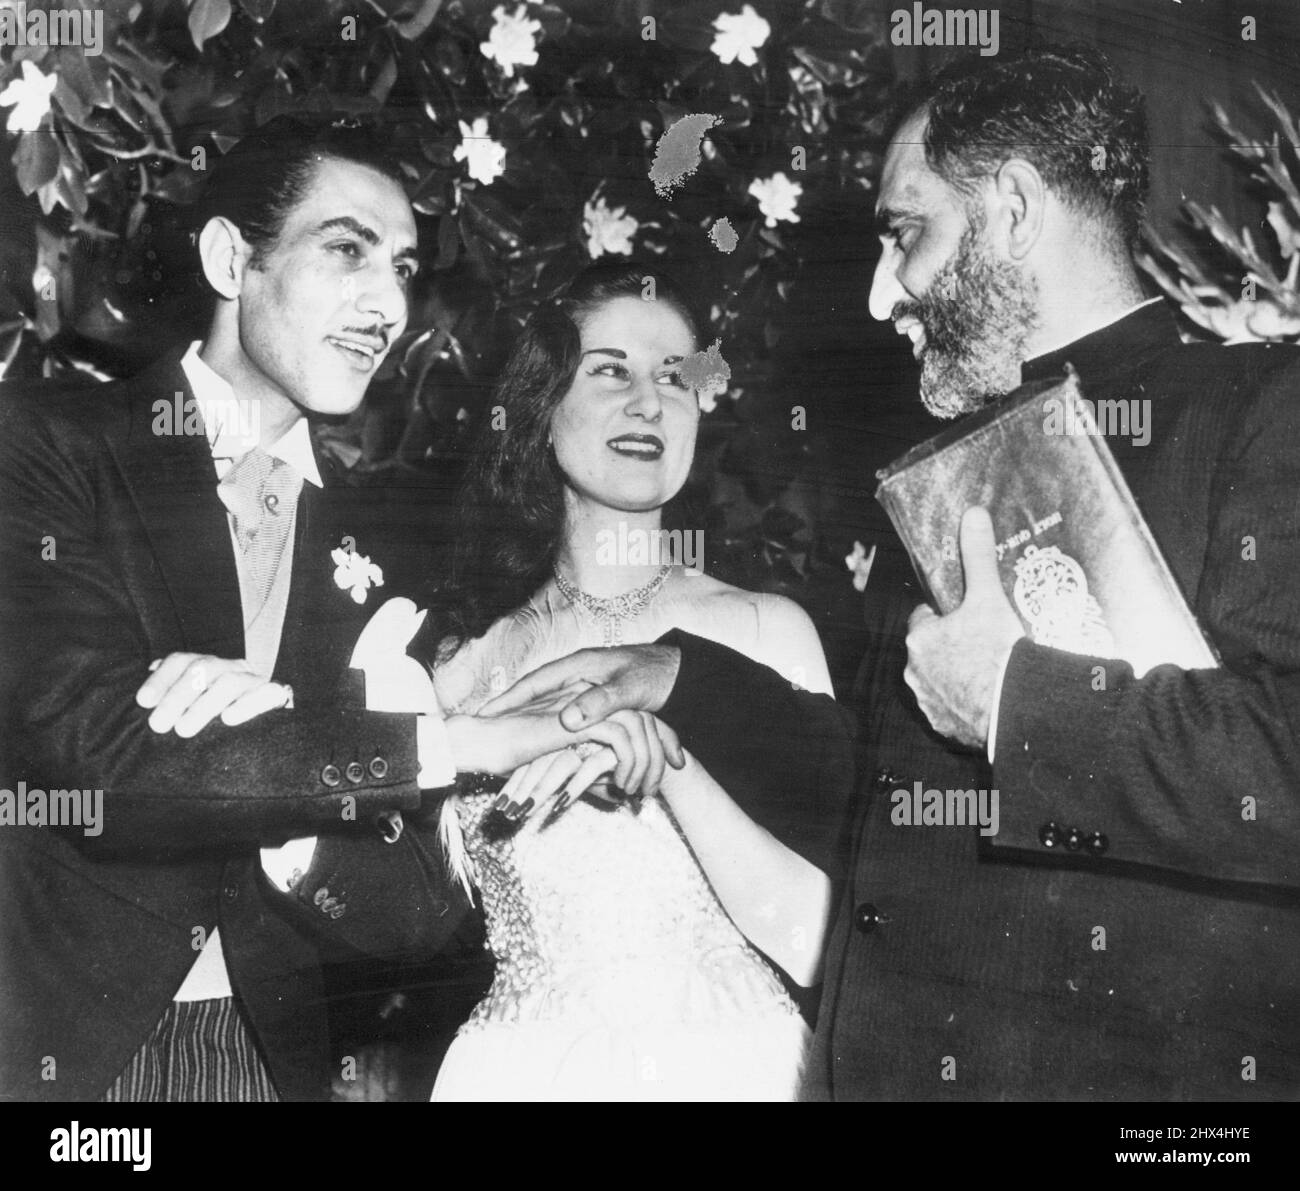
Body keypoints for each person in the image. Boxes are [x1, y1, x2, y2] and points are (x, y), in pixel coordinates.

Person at [491, 46, 1300, 1100]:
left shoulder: (1263, 410)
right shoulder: (946, 465)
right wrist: (673, 675)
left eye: (905, 234)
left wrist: (1017, 702)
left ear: (1012, 208)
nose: (882, 297)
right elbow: (883, 791)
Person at [0, 115, 665, 1102]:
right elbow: (95, 757)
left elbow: (417, 917)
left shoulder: (385, 541)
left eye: (400, 267)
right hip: (56, 1051)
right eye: (346, 251)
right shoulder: (50, 446)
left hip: (265, 1061)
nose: (386, 302)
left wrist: (295, 793)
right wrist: (441, 740)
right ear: (232, 257)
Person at [399, 261, 841, 1101]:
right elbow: (397, 921)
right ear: (541, 403)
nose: (650, 401)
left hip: (737, 1070)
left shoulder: (764, 631)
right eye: (611, 370)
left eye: (675, 376)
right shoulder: (459, 659)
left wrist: (669, 766)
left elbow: (820, 941)